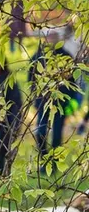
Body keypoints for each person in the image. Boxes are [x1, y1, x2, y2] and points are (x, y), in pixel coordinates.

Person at [31, 30, 78, 175]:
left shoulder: (66, 57)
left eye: (54, 38)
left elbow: (72, 82)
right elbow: (31, 78)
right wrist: (35, 97)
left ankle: (54, 163)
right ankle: (44, 160)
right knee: (40, 132)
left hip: (59, 104)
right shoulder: (38, 56)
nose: (51, 40)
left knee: (56, 135)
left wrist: (68, 100)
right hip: (42, 103)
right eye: (49, 38)